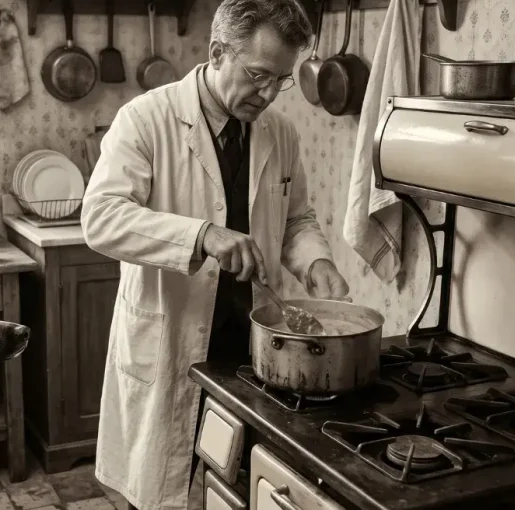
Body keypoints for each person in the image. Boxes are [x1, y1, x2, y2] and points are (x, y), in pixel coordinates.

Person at [80, 1, 349, 508]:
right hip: (174, 341)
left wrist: (317, 262)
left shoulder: (280, 133)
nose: (268, 94)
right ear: (218, 52)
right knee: (161, 492)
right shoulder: (146, 119)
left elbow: (296, 219)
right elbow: (100, 218)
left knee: (241, 489)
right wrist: (202, 235)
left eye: (281, 80)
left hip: (252, 349)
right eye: (258, 75)